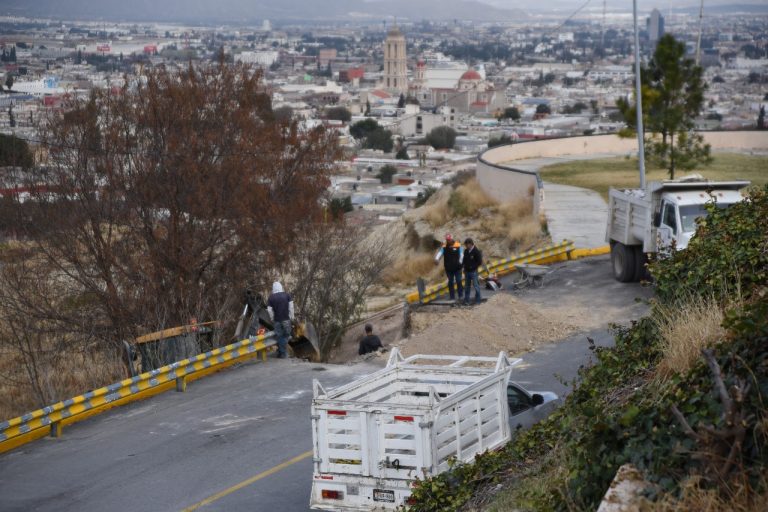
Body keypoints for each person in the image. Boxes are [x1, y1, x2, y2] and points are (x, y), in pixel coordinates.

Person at [267, 281, 294, 358]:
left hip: (277, 320)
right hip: (286, 319)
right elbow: (291, 307)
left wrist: (272, 318)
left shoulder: (271, 297)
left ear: (273, 288)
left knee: (280, 336)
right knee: (286, 335)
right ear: (281, 287)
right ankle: (283, 353)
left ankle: (282, 352)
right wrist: (291, 316)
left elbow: (269, 310)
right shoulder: (287, 295)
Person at [434, 233, 464, 302]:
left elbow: (461, 254)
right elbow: (440, 253)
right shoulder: (444, 247)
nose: (448, 241)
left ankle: (460, 295)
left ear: (452, 239)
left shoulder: (458, 245)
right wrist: (436, 259)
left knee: (458, 281)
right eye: (447, 240)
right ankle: (452, 296)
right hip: (449, 268)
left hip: (458, 268)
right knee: (450, 282)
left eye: (449, 240)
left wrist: (460, 261)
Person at [462, 238, 483, 305]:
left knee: (476, 286)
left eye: (467, 244)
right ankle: (466, 301)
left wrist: (473, 267)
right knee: (467, 287)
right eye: (465, 245)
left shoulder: (476, 251)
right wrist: (464, 268)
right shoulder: (466, 251)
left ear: (470, 244)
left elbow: (479, 262)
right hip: (467, 272)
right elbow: (464, 260)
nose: (466, 246)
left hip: (473, 272)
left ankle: (478, 301)